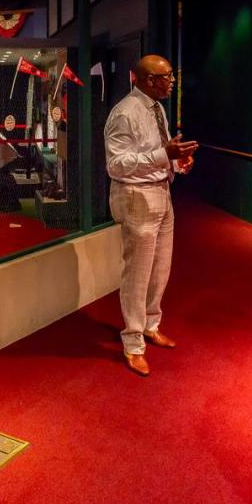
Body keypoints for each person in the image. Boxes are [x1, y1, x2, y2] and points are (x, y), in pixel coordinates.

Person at [104, 54, 198, 377]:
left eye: (171, 75)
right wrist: (164, 155)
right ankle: (132, 341)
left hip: (161, 192)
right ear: (146, 80)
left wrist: (176, 162)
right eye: (166, 76)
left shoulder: (156, 108)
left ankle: (150, 324)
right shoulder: (124, 113)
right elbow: (116, 165)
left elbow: (158, 149)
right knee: (138, 272)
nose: (172, 81)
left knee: (161, 266)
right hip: (136, 198)